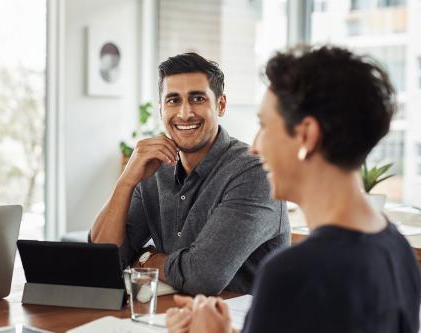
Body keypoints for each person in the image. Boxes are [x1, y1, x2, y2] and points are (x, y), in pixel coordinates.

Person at [166, 46, 421, 332]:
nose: (255, 146)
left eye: (264, 126)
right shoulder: (395, 247)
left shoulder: (291, 275)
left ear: (306, 136)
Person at [90, 53, 289, 295]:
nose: (184, 113)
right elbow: (101, 259)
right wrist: (126, 181)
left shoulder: (253, 172)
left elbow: (203, 277)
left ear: (221, 105)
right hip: (173, 317)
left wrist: (144, 259)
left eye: (197, 98)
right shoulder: (155, 168)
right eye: (173, 100)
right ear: (161, 109)